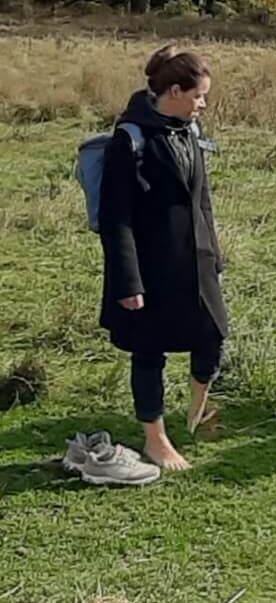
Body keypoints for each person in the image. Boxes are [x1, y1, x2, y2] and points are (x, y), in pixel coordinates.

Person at [98, 44, 228, 473]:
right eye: (198, 96)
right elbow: (115, 217)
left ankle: (196, 410)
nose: (203, 104)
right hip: (151, 267)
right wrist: (127, 282)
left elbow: (202, 201)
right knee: (149, 351)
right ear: (174, 91)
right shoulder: (129, 139)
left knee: (212, 333)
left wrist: (214, 255)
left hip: (196, 262)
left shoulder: (188, 131)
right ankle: (155, 439)